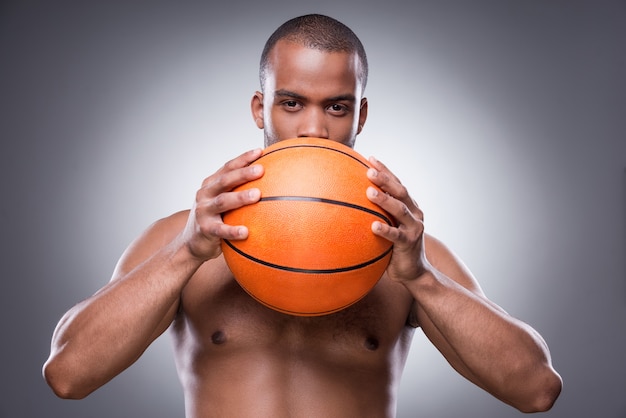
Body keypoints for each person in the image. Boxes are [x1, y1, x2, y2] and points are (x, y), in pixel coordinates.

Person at [43, 14, 562, 417]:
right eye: (291, 103)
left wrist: (422, 279)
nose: (313, 129)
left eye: (336, 107)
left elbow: (536, 389)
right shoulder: (182, 235)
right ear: (258, 108)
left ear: (359, 114)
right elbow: (68, 374)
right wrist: (186, 253)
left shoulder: (407, 247)